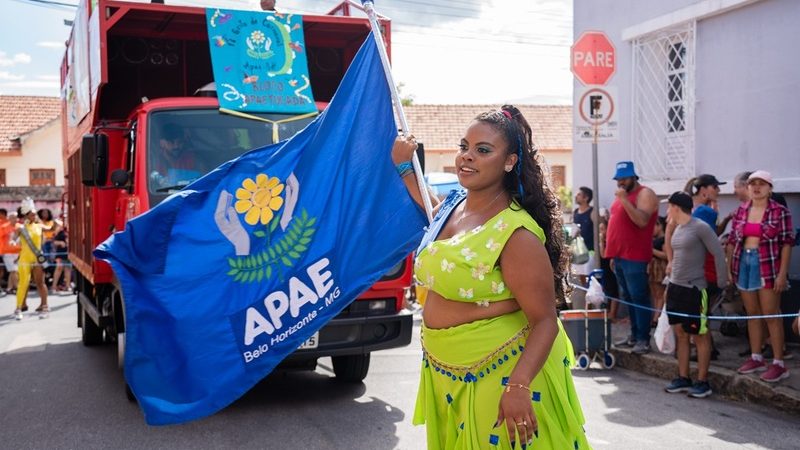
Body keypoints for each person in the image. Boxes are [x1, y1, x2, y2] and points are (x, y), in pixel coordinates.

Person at [394, 105, 588, 449]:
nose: (467, 157)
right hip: (446, 373)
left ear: (510, 161)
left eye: (483, 150)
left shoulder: (516, 233)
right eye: (463, 147)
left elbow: (544, 320)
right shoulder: (455, 205)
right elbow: (432, 209)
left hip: (498, 374)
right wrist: (406, 168)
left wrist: (518, 386)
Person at [727, 170, 794, 383]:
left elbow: (786, 244)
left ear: (770, 188)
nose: (756, 187)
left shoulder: (779, 211)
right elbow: (732, 240)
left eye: (761, 183)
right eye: (752, 183)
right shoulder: (741, 210)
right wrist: (730, 268)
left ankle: (778, 363)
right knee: (752, 313)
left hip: (767, 264)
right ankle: (756, 357)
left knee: (771, 315)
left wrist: (782, 274)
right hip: (743, 263)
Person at [662, 192, 728, 398]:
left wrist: (722, 282)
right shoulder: (678, 228)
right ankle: (683, 377)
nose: (666, 211)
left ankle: (703, 381)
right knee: (681, 333)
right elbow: (672, 251)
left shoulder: (700, 227)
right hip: (676, 288)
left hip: (695, 289)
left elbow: (718, 253)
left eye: (669, 207)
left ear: (676, 207)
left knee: (699, 335)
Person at [606, 161, 659, 354]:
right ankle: (634, 335)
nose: (620, 182)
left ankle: (643, 339)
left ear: (634, 177)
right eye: (618, 179)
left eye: (624, 178)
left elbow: (642, 221)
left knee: (639, 297)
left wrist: (624, 200)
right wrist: (613, 254)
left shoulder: (645, 194)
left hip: (635, 256)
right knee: (628, 298)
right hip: (620, 256)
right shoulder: (624, 195)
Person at [14, 199, 49, 320]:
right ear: (26, 215)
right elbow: (13, 239)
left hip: (37, 259)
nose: (35, 216)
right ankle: (19, 308)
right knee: (23, 283)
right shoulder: (20, 227)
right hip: (24, 259)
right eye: (33, 214)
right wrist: (13, 242)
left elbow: (51, 228)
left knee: (40, 282)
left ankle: (44, 306)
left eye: (35, 214)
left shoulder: (39, 226)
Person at [150, 123, 199, 190]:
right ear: (162, 143)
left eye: (180, 142)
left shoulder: (192, 159)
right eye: (171, 142)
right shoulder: (153, 162)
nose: (176, 146)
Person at [571, 186, 596, 285]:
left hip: (590, 252)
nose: (576, 196)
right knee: (581, 277)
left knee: (590, 277)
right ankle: (586, 296)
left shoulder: (592, 212)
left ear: (586, 198)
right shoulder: (575, 212)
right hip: (579, 252)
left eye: (579, 194)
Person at [649, 216, 667, 327]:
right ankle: (656, 315)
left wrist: (652, 251)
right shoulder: (653, 239)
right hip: (652, 267)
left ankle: (657, 317)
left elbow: (666, 255)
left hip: (660, 267)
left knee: (660, 293)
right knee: (655, 294)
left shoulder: (664, 239)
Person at [1, 211, 21, 299]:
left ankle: (9, 288)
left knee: (13, 271)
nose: (15, 219)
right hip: (7, 252)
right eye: (13, 217)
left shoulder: (20, 226)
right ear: (9, 218)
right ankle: (17, 288)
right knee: (14, 271)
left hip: (18, 251)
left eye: (16, 217)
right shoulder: (3, 227)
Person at [50, 221, 71, 295]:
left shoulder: (68, 231)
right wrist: (60, 243)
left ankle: (68, 286)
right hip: (60, 253)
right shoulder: (59, 232)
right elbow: (54, 241)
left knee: (67, 269)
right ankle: (54, 286)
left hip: (67, 253)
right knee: (59, 268)